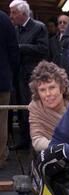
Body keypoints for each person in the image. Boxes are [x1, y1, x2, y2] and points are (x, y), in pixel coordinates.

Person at [9, 0, 49, 150]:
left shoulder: (39, 27)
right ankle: (24, 140)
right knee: (20, 108)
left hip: (32, 76)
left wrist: (20, 47)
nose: (11, 16)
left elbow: (43, 49)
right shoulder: (15, 29)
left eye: (14, 12)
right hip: (18, 75)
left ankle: (35, 140)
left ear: (23, 13)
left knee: (32, 109)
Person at [28, 61, 69, 152]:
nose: (48, 94)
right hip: (51, 156)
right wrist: (62, 148)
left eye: (52, 87)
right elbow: (37, 140)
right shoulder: (36, 108)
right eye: (42, 90)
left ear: (62, 88)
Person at [0, 10, 19, 169]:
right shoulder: (4, 19)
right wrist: (11, 73)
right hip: (2, 80)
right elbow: (14, 51)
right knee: (1, 121)